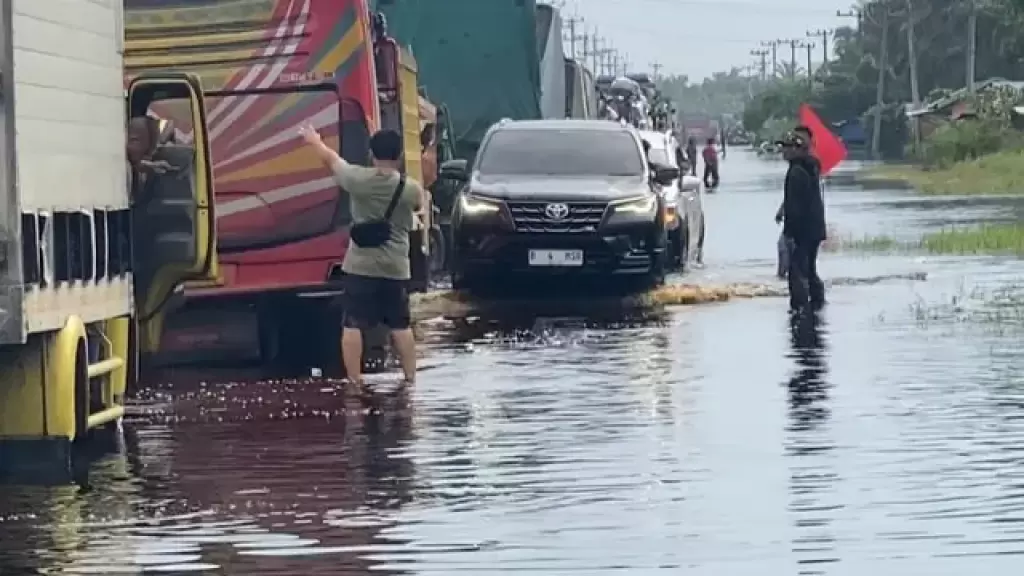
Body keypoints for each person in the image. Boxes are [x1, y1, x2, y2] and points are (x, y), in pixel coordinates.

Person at [299, 124, 423, 388]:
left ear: (371, 154)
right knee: (400, 324)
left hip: (360, 266)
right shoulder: (410, 188)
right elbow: (418, 206)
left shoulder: (357, 180)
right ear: (399, 155)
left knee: (353, 322)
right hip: (396, 268)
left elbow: (331, 159)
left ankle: (355, 381)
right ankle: (411, 379)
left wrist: (315, 141)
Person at [775, 131, 826, 311]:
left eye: (787, 148)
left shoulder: (796, 172)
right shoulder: (809, 168)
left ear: (797, 149)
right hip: (814, 229)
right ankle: (817, 301)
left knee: (797, 272)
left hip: (803, 232)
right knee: (809, 269)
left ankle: (800, 307)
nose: (784, 151)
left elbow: (795, 207)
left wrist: (790, 233)